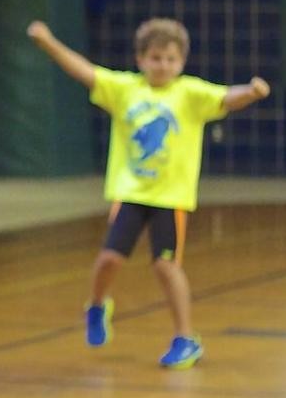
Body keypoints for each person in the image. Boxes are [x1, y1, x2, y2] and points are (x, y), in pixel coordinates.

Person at [27, 18, 270, 369]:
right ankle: (97, 305)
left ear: (181, 62)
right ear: (140, 59)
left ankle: (186, 338)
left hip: (170, 198)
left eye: (171, 59)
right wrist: (48, 42)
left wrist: (251, 92)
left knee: (165, 266)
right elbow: (84, 71)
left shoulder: (189, 93)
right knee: (110, 258)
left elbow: (226, 98)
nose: (163, 66)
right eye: (156, 58)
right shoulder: (124, 89)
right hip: (130, 192)